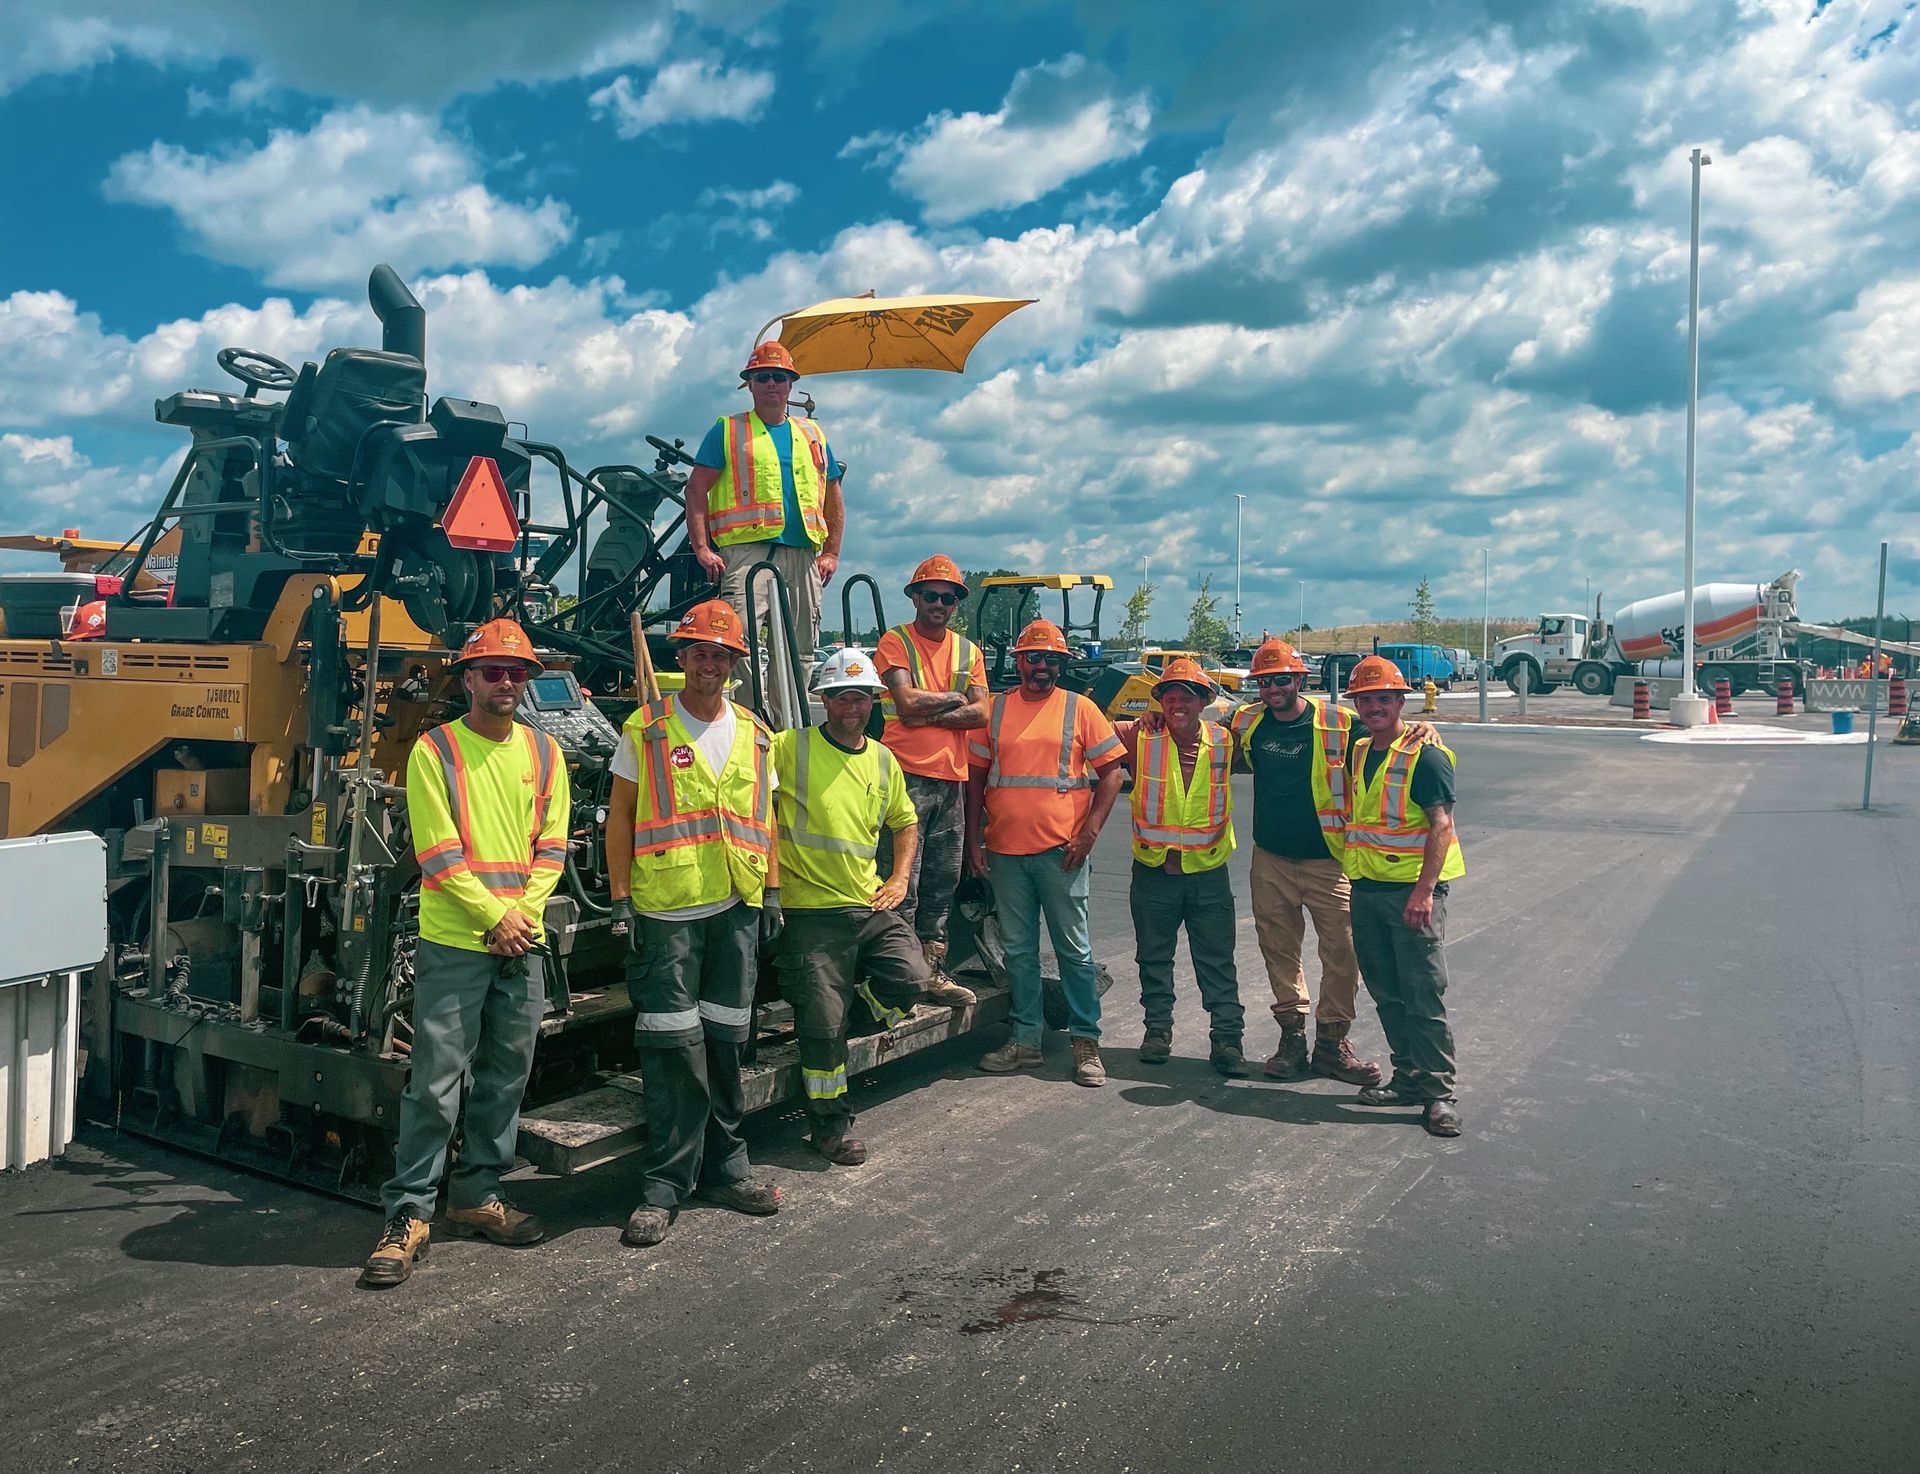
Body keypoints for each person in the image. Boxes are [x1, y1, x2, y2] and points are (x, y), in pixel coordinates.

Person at [361, 618, 569, 1289]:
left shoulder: (544, 753)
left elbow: (554, 848)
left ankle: (477, 1193)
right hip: (457, 939)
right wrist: (495, 917)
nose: (505, 682)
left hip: (521, 937)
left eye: (516, 672)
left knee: (507, 1073)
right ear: (470, 678)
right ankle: (409, 1214)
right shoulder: (435, 750)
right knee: (436, 1081)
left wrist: (523, 916)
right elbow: (438, 851)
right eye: (492, 671)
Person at [606, 599, 784, 1248]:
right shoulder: (647, 728)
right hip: (667, 911)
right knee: (672, 1052)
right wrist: (623, 897)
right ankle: (662, 1187)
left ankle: (728, 1169)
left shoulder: (756, 733)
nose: (710, 664)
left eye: (721, 654)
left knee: (728, 1046)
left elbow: (762, 821)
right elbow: (619, 818)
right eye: (699, 653)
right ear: (681, 660)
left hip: (734, 910)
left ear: (735, 664)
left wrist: (770, 892)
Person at [1229, 637, 1421, 1088]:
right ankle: (1292, 1040)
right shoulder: (1249, 722)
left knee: (1343, 952)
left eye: (1281, 679)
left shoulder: (1340, 723)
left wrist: (1422, 731)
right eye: (1264, 682)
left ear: (1300, 679)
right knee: (1279, 949)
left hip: (1330, 862)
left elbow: (1389, 736)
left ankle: (1332, 1044)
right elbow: (1207, 730)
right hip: (1271, 859)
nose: (1272, 689)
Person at [771, 647, 934, 1166]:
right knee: (821, 1030)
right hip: (808, 913)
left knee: (911, 980)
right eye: (842, 696)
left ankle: (853, 1009)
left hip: (866, 908)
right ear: (823, 699)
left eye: (862, 697)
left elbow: (905, 823)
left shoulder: (883, 759)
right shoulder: (787, 748)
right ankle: (830, 1126)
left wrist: (901, 877)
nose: (852, 706)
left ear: (873, 703)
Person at [966, 618, 1126, 1086]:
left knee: (1074, 951)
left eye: (1051, 659)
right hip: (1005, 853)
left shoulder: (1080, 709)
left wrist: (1088, 835)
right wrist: (975, 842)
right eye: (1034, 658)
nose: (1042, 666)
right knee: (1018, 952)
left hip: (1063, 854)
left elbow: (1112, 773)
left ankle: (1085, 1043)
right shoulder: (994, 711)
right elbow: (976, 779)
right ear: (1018, 661)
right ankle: (1026, 1041)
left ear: (1062, 665)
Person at [1340, 656, 1464, 1138]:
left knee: (1422, 994)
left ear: (1400, 701)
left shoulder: (1426, 755)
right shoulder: (1360, 749)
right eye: (1365, 699)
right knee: (1387, 991)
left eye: (1383, 699)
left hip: (1412, 893)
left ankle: (1439, 1094)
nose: (1373, 707)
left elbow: (1441, 824)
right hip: (1368, 888)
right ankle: (1408, 1076)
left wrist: (1424, 892)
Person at [681, 340, 844, 704]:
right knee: (739, 643)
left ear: (790, 385)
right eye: (763, 377)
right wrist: (702, 548)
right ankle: (753, 719)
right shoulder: (727, 430)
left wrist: (831, 552)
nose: (772, 384)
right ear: (750, 384)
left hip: (802, 554)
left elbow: (833, 494)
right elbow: (695, 489)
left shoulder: (813, 434)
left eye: (779, 377)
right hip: (744, 553)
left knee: (801, 647)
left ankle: (789, 724)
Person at [1114, 658, 1248, 1076]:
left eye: (1186, 697)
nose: (1177, 704)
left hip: (1208, 873)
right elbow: (1083, 730)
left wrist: (1417, 728)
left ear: (1205, 701)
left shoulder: (1226, 742)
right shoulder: (1140, 735)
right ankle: (1157, 1032)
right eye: (1169, 696)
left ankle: (1227, 1041)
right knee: (1153, 958)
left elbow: (1281, 719)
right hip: (1154, 871)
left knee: (1217, 960)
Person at [875, 553, 987, 1008]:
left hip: (951, 780)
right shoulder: (895, 641)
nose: (939, 603)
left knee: (941, 881)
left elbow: (981, 714)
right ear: (915, 597)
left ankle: (932, 969)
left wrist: (931, 712)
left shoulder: (968, 651)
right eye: (931, 595)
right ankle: (897, 974)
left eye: (948, 597)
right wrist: (954, 700)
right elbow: (904, 701)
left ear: (956, 603)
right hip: (905, 776)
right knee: (903, 880)